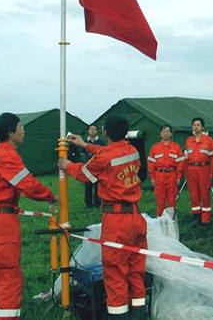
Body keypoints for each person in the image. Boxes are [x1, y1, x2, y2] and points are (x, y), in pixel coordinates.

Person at [61, 114, 146, 318]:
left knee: (115, 273)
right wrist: (85, 145)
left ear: (105, 132)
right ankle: (139, 313)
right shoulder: (132, 151)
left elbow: (85, 174)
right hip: (136, 217)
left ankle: (118, 315)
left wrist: (67, 165)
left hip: (116, 221)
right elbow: (107, 153)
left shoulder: (105, 158)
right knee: (136, 270)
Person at [0, 113, 58, 320]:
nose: (23, 130)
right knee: (9, 273)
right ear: (10, 132)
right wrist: (51, 196)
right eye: (20, 126)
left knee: (3, 272)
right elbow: (27, 184)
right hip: (2, 221)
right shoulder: (7, 155)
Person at [147, 125, 185, 216]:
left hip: (172, 175)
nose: (165, 134)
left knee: (172, 201)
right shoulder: (155, 147)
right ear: (160, 133)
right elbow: (150, 164)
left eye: (167, 131)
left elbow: (180, 164)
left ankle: (172, 221)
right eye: (163, 131)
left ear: (171, 134)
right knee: (160, 201)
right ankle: (160, 221)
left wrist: (178, 177)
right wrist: (152, 178)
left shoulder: (176, 147)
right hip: (159, 175)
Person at [184, 118, 213, 224]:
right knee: (194, 194)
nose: (196, 127)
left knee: (205, 194)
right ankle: (196, 217)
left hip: (204, 169)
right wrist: (186, 172)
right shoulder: (189, 140)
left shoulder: (209, 141)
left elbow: (212, 159)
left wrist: (211, 173)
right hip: (191, 169)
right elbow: (186, 158)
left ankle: (206, 219)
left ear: (202, 127)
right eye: (194, 125)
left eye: (198, 125)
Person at [70, 124, 105, 208]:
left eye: (94, 129)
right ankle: (88, 204)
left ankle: (97, 203)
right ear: (88, 131)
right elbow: (82, 153)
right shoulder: (84, 142)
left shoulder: (101, 142)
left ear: (97, 131)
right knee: (88, 187)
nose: (92, 131)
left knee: (97, 187)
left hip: (98, 168)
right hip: (87, 168)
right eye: (91, 129)